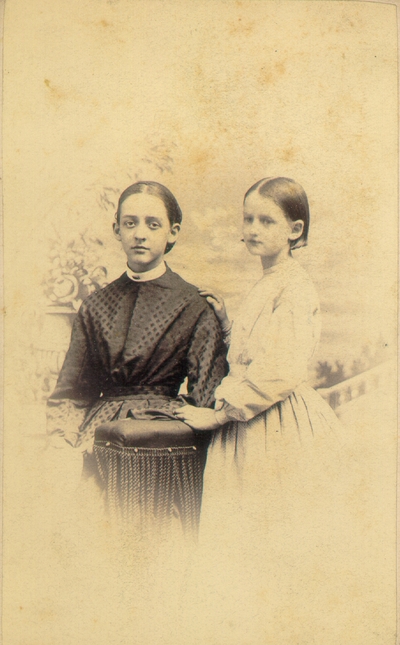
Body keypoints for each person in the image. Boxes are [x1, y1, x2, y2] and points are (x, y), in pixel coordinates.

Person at [175, 177, 354, 643]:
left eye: (266, 220)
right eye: (248, 218)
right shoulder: (270, 281)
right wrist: (226, 324)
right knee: (241, 542)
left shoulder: (295, 287)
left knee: (270, 538)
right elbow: (257, 351)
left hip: (274, 426)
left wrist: (218, 415)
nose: (252, 228)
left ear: (295, 229)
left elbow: (281, 368)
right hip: (251, 420)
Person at [46, 180, 227, 539]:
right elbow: (72, 391)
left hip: (166, 439)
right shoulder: (95, 305)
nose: (140, 234)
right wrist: (62, 441)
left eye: (152, 224)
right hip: (101, 438)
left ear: (172, 233)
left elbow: (208, 392)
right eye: (130, 223)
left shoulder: (193, 305)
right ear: (116, 229)